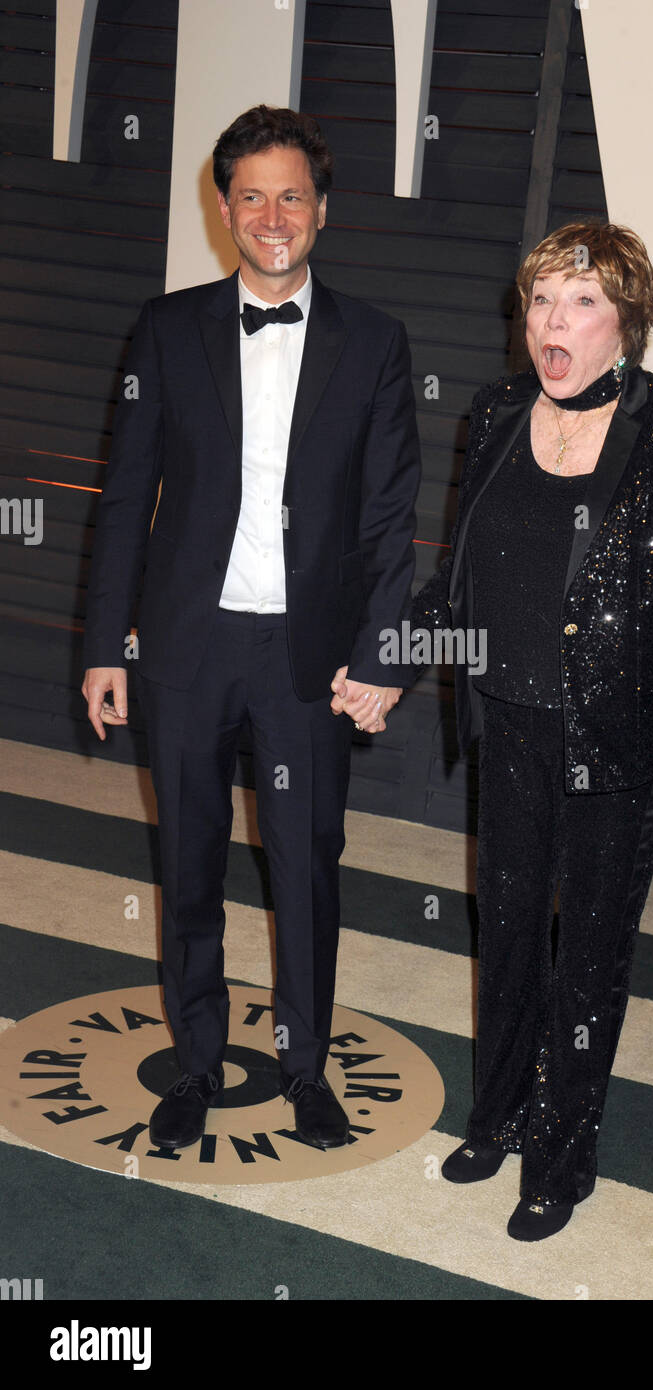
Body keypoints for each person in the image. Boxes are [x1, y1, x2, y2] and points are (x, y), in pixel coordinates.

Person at [81, 105, 420, 1152]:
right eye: (252, 195)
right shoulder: (167, 326)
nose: (273, 215)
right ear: (223, 207)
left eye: (292, 195)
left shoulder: (373, 342)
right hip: (186, 647)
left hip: (306, 658)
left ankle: (305, 1063)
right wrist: (104, 643)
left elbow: (388, 516)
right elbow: (125, 490)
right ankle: (193, 1061)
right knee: (187, 860)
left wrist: (379, 653)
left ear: (321, 210)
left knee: (305, 867)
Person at [409, 221, 653, 1240]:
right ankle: (499, 1113)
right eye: (540, 301)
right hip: (507, 722)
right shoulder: (498, 410)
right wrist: (387, 659)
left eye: (581, 303)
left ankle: (564, 1157)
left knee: (587, 954)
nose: (551, 324)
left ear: (625, 322)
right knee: (507, 931)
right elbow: (459, 574)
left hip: (614, 734)